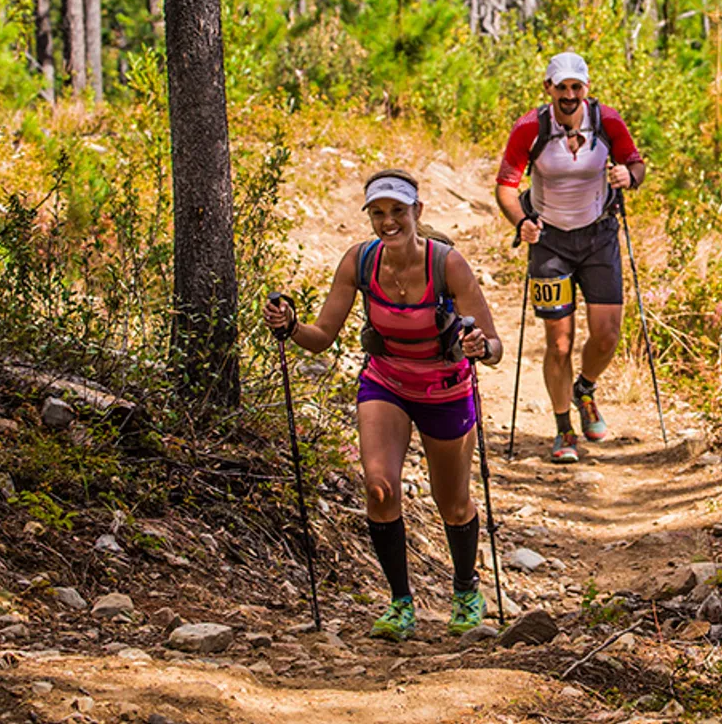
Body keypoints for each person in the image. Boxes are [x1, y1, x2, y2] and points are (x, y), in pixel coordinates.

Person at [262, 169, 505, 640]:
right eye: (378, 213)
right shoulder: (359, 261)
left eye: (397, 211)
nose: (388, 221)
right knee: (378, 488)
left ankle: (465, 588)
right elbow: (320, 338)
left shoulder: (447, 265)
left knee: (452, 504)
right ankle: (400, 603)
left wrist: (479, 347)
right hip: (386, 382)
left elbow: (494, 347)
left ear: (417, 211)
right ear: (369, 217)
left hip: (445, 387)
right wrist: (289, 325)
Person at [494, 51, 647, 464]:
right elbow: (506, 186)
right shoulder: (530, 128)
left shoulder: (607, 121)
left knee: (607, 335)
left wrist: (628, 177)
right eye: (560, 87)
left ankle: (585, 389)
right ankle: (564, 429)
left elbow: (636, 163)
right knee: (558, 343)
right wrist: (521, 220)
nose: (568, 95)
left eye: (575, 87)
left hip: (599, 237)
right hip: (550, 242)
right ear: (548, 88)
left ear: (586, 89)